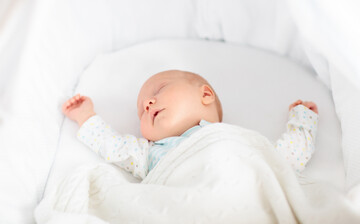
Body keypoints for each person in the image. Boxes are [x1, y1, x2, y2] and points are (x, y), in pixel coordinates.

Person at [62, 70, 319, 180]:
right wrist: (86, 115)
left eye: (159, 90)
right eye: (141, 110)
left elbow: (284, 160)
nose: (148, 104)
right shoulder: (149, 154)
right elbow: (114, 147)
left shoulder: (234, 141)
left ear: (205, 95)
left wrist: (302, 121)